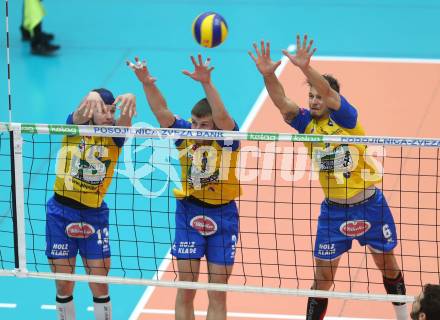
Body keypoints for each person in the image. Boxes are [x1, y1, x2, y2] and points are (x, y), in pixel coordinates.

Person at [249, 34, 408, 320]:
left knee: (388, 265)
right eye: (309, 95)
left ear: (331, 99)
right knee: (322, 278)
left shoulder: (347, 119)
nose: (312, 100)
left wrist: (305, 68)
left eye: (318, 95)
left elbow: (328, 92)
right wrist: (268, 76)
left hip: (370, 205)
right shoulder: (306, 123)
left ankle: (402, 315)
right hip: (333, 212)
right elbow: (281, 101)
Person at [128, 55, 241, 320]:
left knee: (217, 293)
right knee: (186, 289)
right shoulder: (185, 135)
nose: (198, 129)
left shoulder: (227, 140)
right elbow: (162, 112)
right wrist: (146, 83)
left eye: (204, 125)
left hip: (223, 216)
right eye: (194, 123)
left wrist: (206, 83)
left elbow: (223, 116)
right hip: (189, 213)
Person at [46, 88, 136, 320]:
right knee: (64, 285)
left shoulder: (115, 137)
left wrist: (130, 99)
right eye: (103, 111)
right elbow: (79, 113)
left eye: (112, 111)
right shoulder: (75, 127)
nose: (109, 115)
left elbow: (125, 120)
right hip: (60, 213)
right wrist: (89, 95)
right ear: (91, 112)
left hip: (94, 216)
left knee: (100, 285)